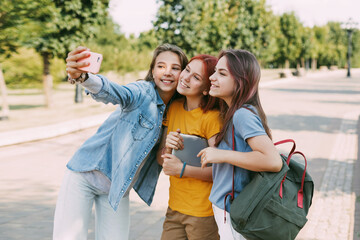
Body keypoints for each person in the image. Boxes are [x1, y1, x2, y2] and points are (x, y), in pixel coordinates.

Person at [53, 44, 188, 240]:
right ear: (152, 70)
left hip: (117, 187)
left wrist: (174, 147)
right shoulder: (143, 92)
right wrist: (84, 77)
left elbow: (160, 159)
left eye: (175, 68)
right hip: (85, 174)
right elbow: (117, 92)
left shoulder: (176, 109)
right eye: (161, 66)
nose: (167, 72)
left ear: (182, 73)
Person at [197, 49, 283, 240]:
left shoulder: (241, 114)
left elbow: (272, 160)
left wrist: (220, 154)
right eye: (215, 71)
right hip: (229, 208)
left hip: (234, 210)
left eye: (222, 73)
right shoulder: (235, 112)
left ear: (240, 81)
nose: (212, 77)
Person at [157, 54, 223, 240]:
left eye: (196, 77)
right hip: (174, 208)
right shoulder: (174, 108)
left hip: (203, 212)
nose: (185, 77)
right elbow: (162, 161)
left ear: (205, 89)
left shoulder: (212, 118)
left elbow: (221, 171)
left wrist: (183, 169)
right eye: (187, 70)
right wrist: (168, 149)